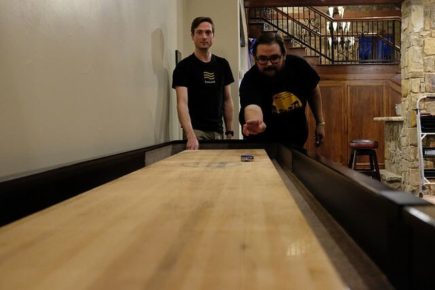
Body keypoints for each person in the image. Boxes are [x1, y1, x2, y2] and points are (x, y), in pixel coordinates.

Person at [239, 32, 325, 152]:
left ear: (284, 55)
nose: (269, 64)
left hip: (295, 146)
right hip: (261, 147)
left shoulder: (298, 67)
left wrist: (320, 122)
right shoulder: (250, 79)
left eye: (274, 58)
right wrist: (256, 123)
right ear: (255, 58)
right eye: (263, 59)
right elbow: (252, 107)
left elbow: (313, 90)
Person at [172, 17, 235, 150]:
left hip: (218, 132)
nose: (204, 36)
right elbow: (181, 103)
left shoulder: (223, 64)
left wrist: (229, 132)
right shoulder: (183, 67)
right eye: (199, 32)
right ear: (192, 36)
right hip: (196, 132)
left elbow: (227, 100)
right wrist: (190, 135)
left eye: (208, 32)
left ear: (213, 35)